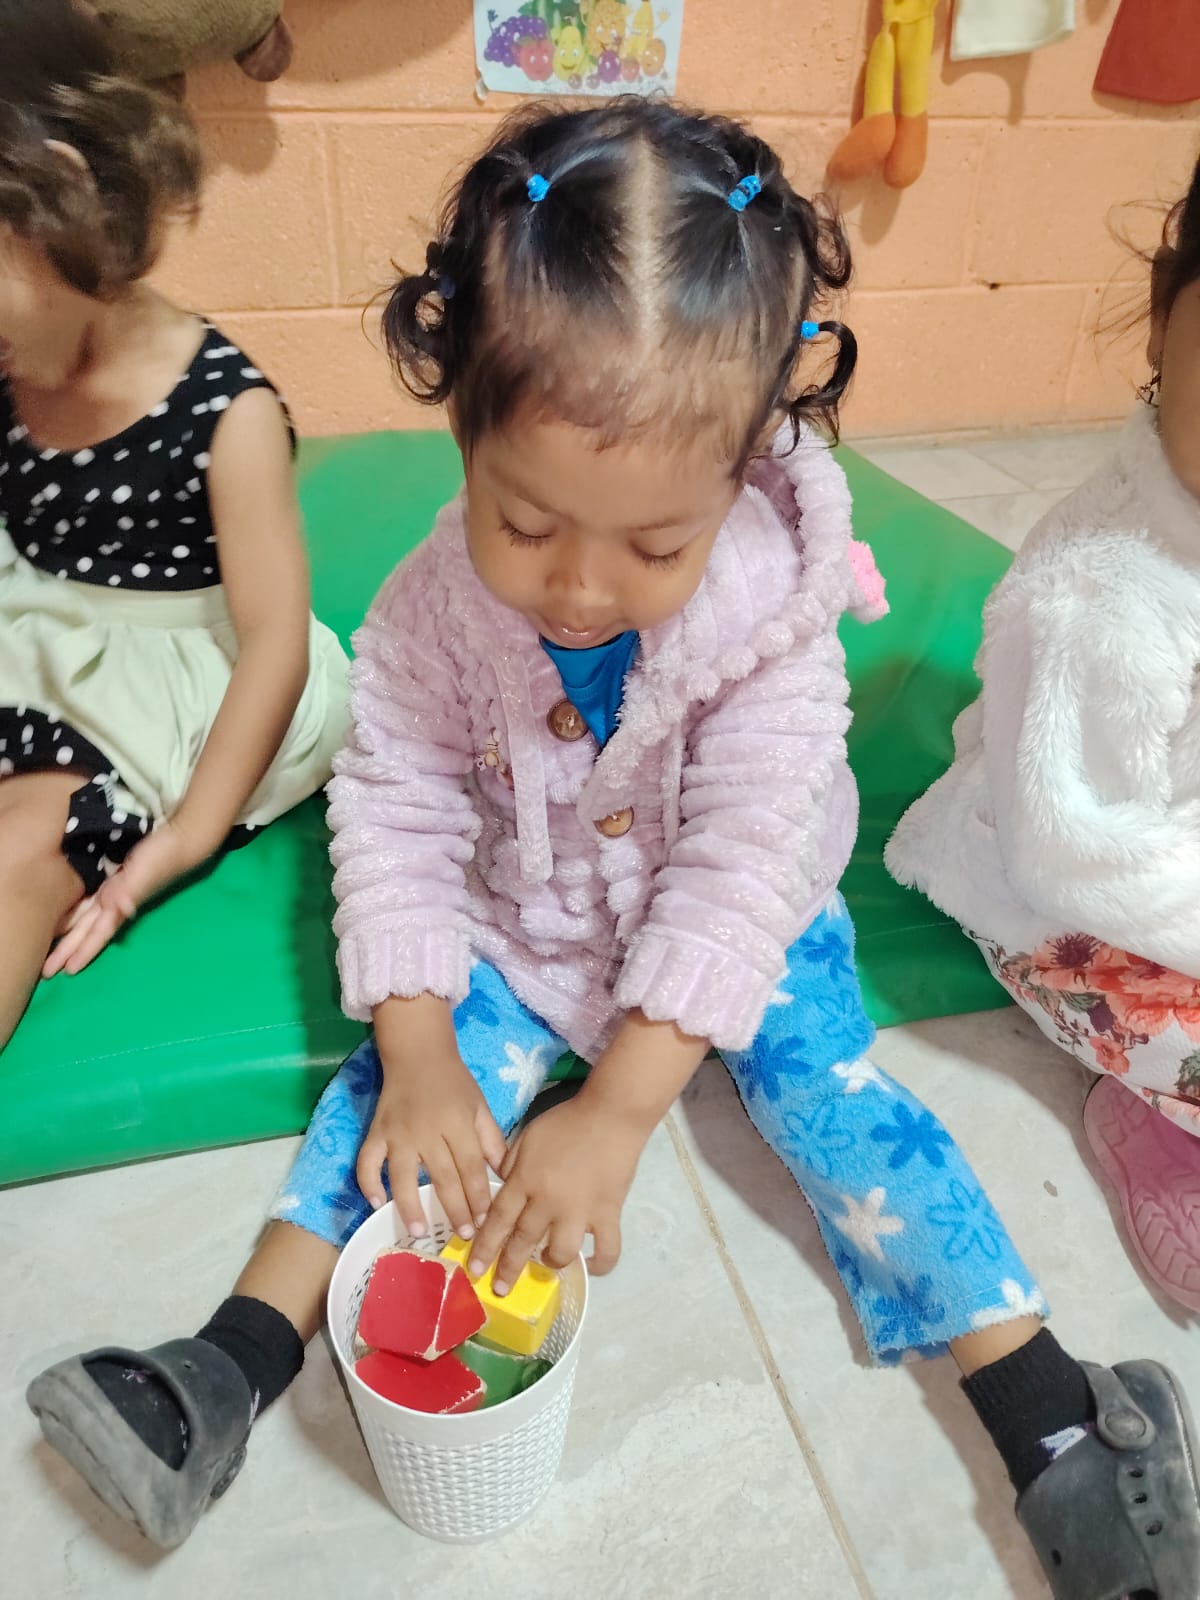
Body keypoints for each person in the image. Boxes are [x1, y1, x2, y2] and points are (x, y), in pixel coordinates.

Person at [29, 100, 1200, 1596]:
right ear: (461, 424)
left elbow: (739, 871)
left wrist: (623, 1109)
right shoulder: (428, 608)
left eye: (656, 546)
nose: (579, 589)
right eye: (525, 524)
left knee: (846, 1114)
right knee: (388, 1110)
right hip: (527, 923)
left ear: (746, 459)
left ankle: (1062, 1418)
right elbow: (392, 807)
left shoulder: (774, 618)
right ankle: (223, 1366)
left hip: (748, 924)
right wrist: (420, 1040)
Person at [887, 151, 1200, 1327]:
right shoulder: (1098, 600)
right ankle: (1153, 1124)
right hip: (1069, 901)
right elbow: (1080, 858)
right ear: (1163, 320)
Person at [0, 0, 348, 1052]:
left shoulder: (225, 413)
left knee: (24, 842)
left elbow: (274, 644)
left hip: (165, 682)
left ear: (62, 198)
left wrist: (186, 835)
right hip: (29, 622)